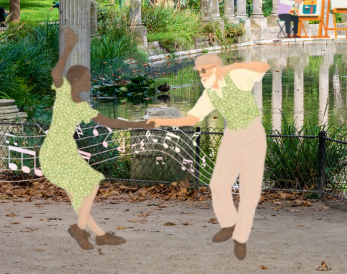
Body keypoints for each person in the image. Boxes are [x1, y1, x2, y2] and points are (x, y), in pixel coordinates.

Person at [148, 54, 269, 260]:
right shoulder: (210, 93)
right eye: (199, 72)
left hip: (253, 136)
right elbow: (192, 119)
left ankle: (240, 238)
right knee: (218, 185)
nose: (201, 75)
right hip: (232, 138)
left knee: (249, 191)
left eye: (204, 70)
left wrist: (233, 67)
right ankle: (230, 224)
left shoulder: (238, 77)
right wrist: (160, 122)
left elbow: (263, 65)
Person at [43, 27, 151, 250]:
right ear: (76, 82)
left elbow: (109, 122)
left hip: (64, 150)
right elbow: (57, 73)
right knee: (90, 185)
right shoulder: (63, 92)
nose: (91, 81)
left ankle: (96, 233)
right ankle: (81, 229)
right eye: (88, 79)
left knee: (79, 195)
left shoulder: (82, 106)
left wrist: (138, 124)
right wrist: (70, 47)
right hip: (55, 150)